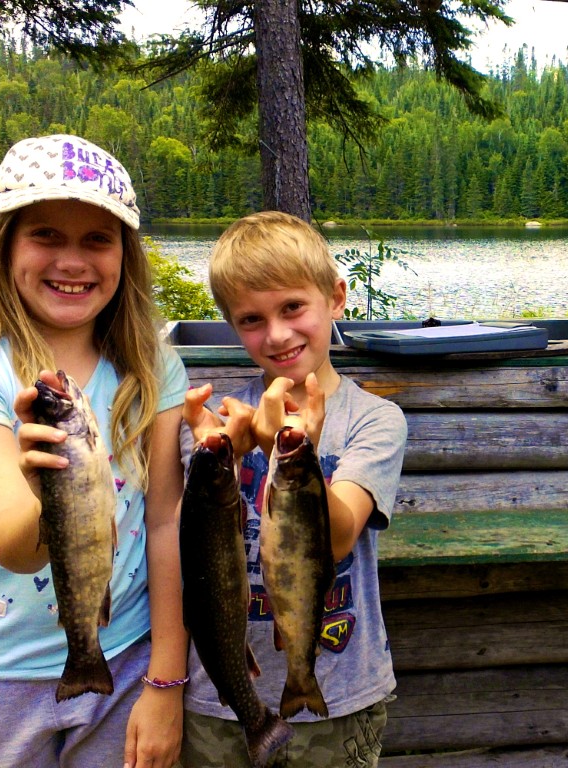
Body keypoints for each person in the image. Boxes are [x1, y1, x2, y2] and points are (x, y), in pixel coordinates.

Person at [0, 134, 189, 768]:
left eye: (97, 239)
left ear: (124, 255)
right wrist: (43, 483)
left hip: (130, 658)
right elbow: (14, 546)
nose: (72, 261)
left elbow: (165, 521)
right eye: (46, 235)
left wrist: (167, 680)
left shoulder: (155, 366)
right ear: (3, 247)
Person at [180, 211, 407, 768]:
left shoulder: (375, 420)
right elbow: (190, 542)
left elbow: (337, 537)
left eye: (292, 308)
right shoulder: (217, 425)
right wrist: (217, 461)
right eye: (252, 319)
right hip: (219, 695)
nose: (277, 334)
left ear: (336, 298)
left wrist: (285, 454)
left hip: (340, 694)